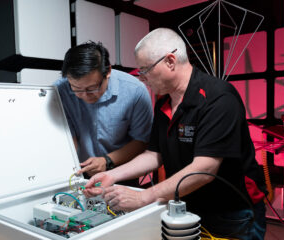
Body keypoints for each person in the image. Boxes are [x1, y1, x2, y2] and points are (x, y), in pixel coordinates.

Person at [83, 28, 267, 240]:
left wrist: (144, 197)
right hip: (189, 205)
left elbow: (204, 168)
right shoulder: (164, 102)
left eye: (145, 70)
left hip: (231, 212)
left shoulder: (219, 98)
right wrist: (112, 175)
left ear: (170, 61)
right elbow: (154, 154)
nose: (142, 78)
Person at [54, 41, 153, 186]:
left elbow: (141, 141)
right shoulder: (59, 90)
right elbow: (67, 136)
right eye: (76, 89)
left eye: (92, 88)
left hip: (122, 174)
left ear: (108, 72)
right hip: (80, 175)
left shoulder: (135, 91)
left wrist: (107, 161)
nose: (84, 95)